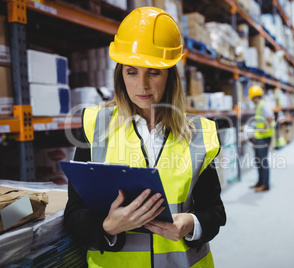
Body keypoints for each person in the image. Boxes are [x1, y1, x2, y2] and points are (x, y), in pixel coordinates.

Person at [63, 7, 226, 267]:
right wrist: (107, 227)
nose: (142, 85)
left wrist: (191, 225)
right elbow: (73, 215)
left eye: (153, 72)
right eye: (132, 72)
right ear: (120, 75)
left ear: (170, 76)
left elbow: (214, 212)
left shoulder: (199, 133)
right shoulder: (95, 126)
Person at [248, 85, 275, 192]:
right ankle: (260, 181)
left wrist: (263, 129)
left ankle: (265, 185)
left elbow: (270, 117)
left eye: (252, 98)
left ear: (255, 97)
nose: (251, 100)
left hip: (263, 137)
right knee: (258, 160)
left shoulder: (262, 105)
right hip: (260, 137)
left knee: (262, 161)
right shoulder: (260, 105)